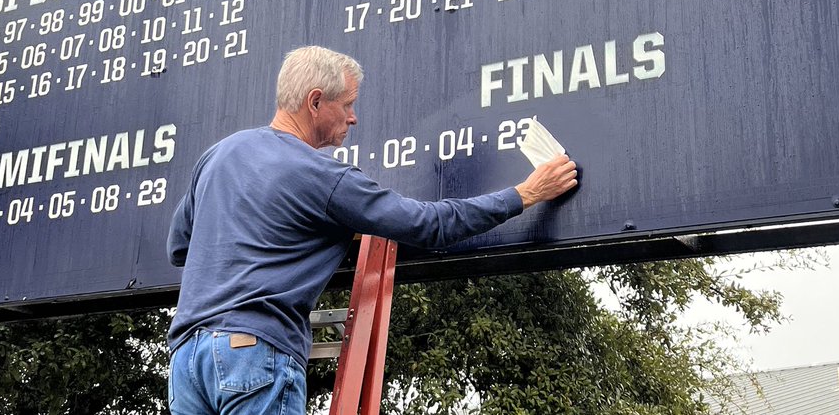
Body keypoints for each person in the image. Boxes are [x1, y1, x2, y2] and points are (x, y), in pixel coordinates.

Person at [166, 45, 579, 415]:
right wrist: (525, 193)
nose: (353, 116)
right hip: (255, 352)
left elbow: (180, 248)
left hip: (186, 360)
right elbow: (430, 225)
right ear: (315, 102)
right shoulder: (324, 176)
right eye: (347, 104)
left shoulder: (218, 155)